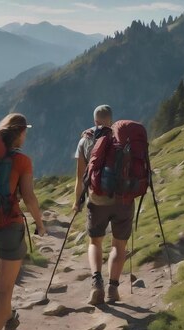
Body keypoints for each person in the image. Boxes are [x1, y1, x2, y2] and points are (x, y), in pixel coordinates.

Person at [0, 113, 46, 330]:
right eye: (25, 131)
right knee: (3, 288)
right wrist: (40, 223)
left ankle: (9, 319)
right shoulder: (21, 160)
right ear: (19, 133)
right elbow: (28, 196)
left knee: (2, 282)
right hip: (8, 226)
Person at [73, 105, 134, 305]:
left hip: (97, 200)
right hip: (123, 200)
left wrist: (77, 203)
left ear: (95, 121)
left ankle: (96, 283)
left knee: (95, 242)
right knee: (119, 244)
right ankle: (113, 289)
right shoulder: (125, 139)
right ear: (112, 120)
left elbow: (80, 178)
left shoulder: (85, 141)